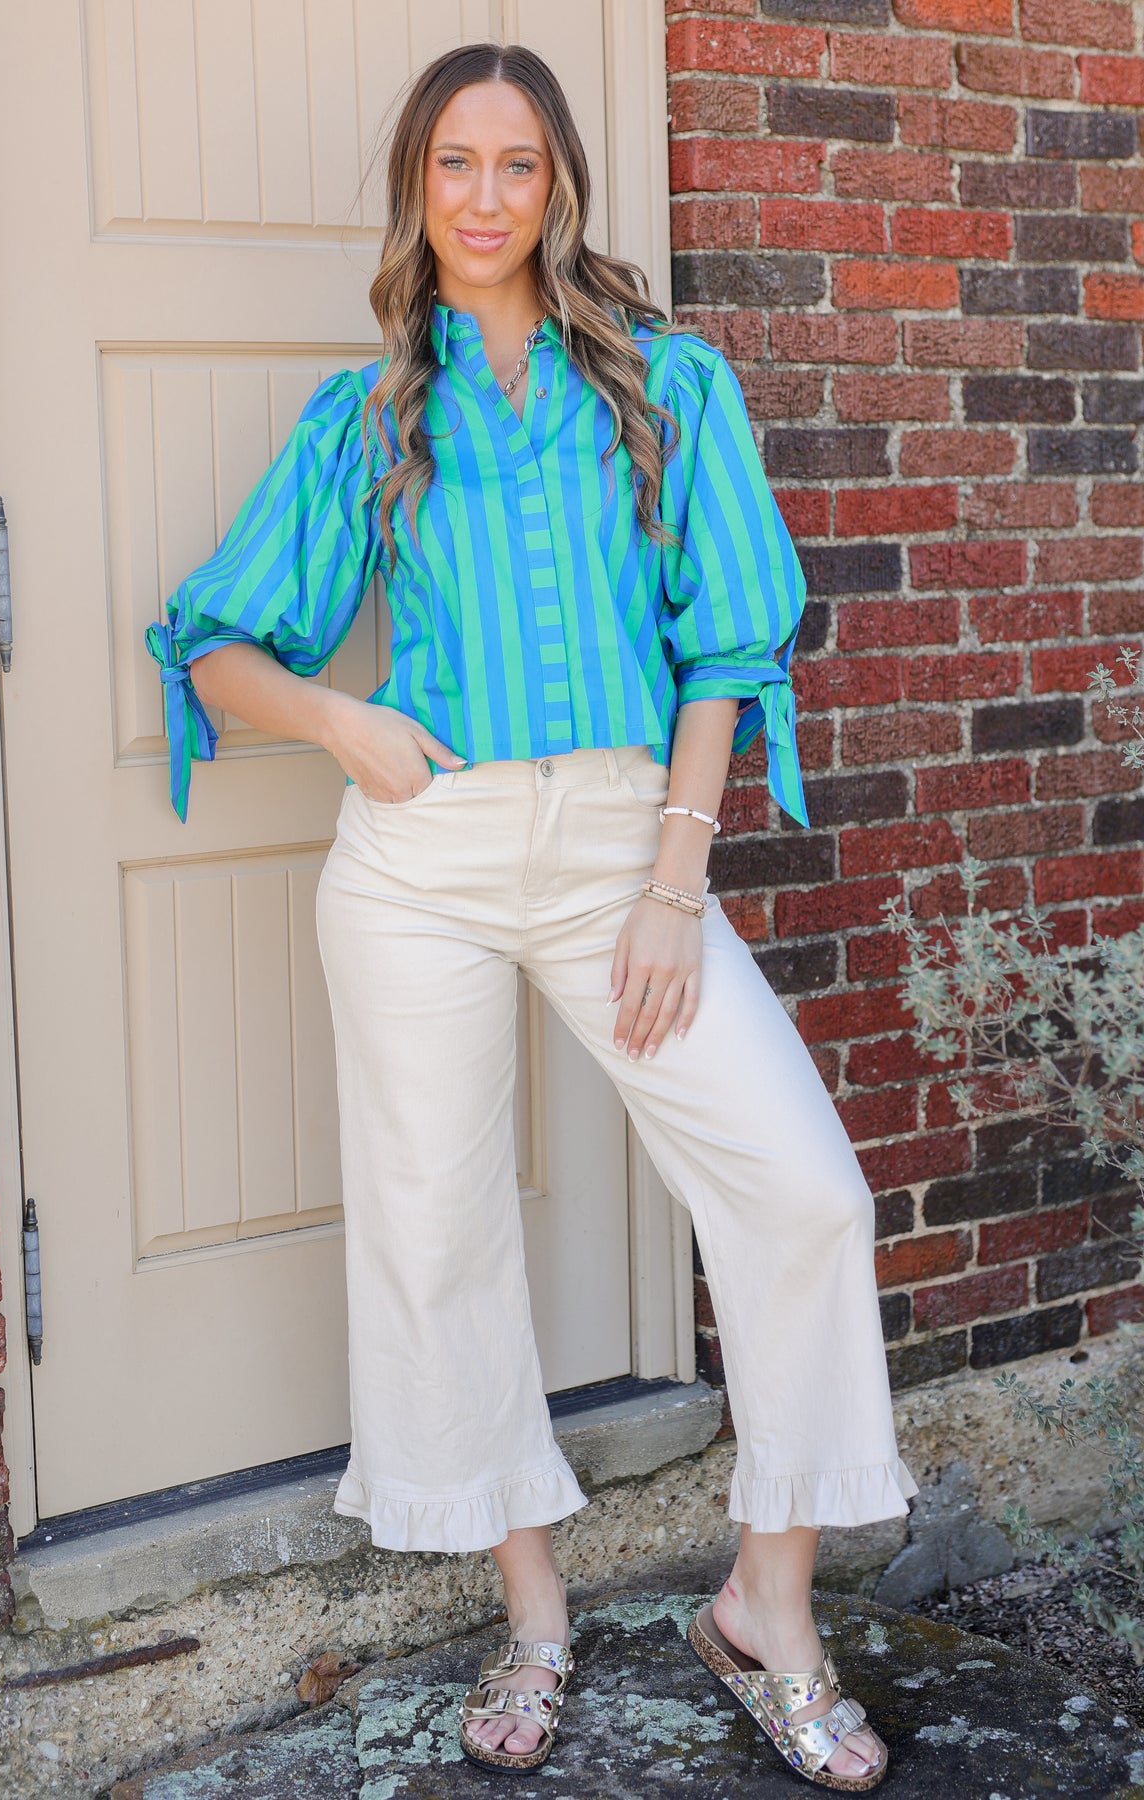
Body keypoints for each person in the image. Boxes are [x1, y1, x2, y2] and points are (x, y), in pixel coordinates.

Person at [145, 40, 917, 1790]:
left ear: (561, 183)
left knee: (803, 1192)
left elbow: (727, 644)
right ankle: (537, 1614)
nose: (486, 199)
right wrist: (341, 721)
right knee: (440, 1230)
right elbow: (212, 640)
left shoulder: (668, 382)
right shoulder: (371, 418)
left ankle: (766, 1610)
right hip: (417, 862)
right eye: (453, 168)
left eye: (518, 166)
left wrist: (672, 883)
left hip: (619, 856)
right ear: (420, 194)